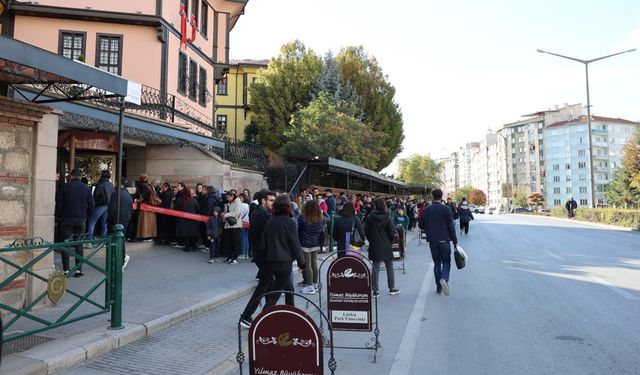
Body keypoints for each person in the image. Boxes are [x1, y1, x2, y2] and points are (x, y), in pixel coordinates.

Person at [239, 189, 276, 328]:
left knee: (270, 284)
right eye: (271, 200)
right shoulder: (263, 215)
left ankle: (267, 314)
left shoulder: (258, 212)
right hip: (264, 256)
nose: (273, 203)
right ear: (263, 201)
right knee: (263, 286)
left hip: (260, 255)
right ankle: (246, 316)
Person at [263, 195, 306, 308]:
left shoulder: (270, 221)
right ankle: (263, 317)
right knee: (276, 292)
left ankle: (291, 311)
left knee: (289, 287)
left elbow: (264, 241)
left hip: (272, 259)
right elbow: (295, 244)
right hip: (284, 261)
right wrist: (302, 262)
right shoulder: (289, 222)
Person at [57, 168, 95, 277]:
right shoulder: (86, 188)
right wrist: (87, 216)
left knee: (66, 244)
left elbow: (59, 203)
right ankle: (79, 270)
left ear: (71, 176)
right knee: (79, 244)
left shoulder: (65, 187)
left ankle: (66, 270)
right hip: (80, 219)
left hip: (66, 219)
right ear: (80, 176)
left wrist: (58, 216)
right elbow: (92, 205)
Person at [420, 189, 458, 296]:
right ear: (442, 197)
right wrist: (455, 242)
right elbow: (451, 227)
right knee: (446, 262)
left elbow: (421, 225)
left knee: (437, 264)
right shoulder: (446, 209)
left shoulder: (427, 210)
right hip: (444, 240)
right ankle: (444, 278)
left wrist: (429, 227)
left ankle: (438, 288)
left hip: (433, 240)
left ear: (432, 197)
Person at [366, 198, 400, 296]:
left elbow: (367, 232)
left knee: (375, 267)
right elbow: (393, 232)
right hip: (386, 244)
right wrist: (390, 242)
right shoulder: (388, 217)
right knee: (389, 266)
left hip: (374, 244)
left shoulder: (369, 217)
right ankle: (392, 288)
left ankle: (375, 291)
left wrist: (371, 240)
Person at [297, 200, 325, 295]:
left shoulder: (302, 217)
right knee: (314, 263)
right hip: (316, 243)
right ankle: (315, 284)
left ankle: (310, 287)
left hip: (305, 243)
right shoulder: (320, 217)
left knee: (307, 265)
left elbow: (298, 229)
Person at [107, 177, 134, 270]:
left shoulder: (116, 194)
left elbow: (112, 209)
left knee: (117, 241)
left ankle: (121, 259)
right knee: (121, 240)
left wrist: (109, 219)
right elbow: (131, 209)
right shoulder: (128, 195)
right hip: (125, 220)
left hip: (117, 221)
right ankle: (121, 259)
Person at [87, 170, 114, 242]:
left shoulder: (100, 184)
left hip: (101, 204)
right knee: (105, 223)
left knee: (92, 221)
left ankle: (88, 240)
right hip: (109, 205)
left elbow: (96, 195)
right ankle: (104, 241)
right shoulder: (111, 185)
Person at [174, 187, 200, 251]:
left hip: (183, 220)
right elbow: (198, 209)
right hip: (193, 220)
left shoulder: (180, 200)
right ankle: (194, 247)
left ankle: (187, 247)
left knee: (186, 234)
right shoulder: (193, 200)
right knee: (192, 233)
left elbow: (176, 209)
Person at [222, 190, 243, 264]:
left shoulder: (237, 201)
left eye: (228, 197)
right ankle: (230, 257)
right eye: (226, 197)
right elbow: (225, 212)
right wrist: (223, 214)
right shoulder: (227, 203)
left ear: (232, 196)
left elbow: (236, 213)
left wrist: (226, 215)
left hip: (235, 225)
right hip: (228, 225)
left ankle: (235, 258)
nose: (227, 199)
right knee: (229, 242)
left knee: (235, 242)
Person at [135, 175, 157, 241]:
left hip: (144, 207)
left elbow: (142, 197)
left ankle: (145, 236)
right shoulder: (149, 186)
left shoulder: (144, 186)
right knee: (149, 223)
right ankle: (148, 236)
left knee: (144, 223)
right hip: (150, 207)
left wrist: (137, 200)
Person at [238, 192, 251, 259]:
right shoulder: (248, 205)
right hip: (247, 222)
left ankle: (242, 253)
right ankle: (246, 254)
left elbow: (239, 215)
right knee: (246, 238)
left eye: (240, 198)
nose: (239, 199)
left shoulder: (241, 205)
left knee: (242, 238)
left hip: (242, 223)